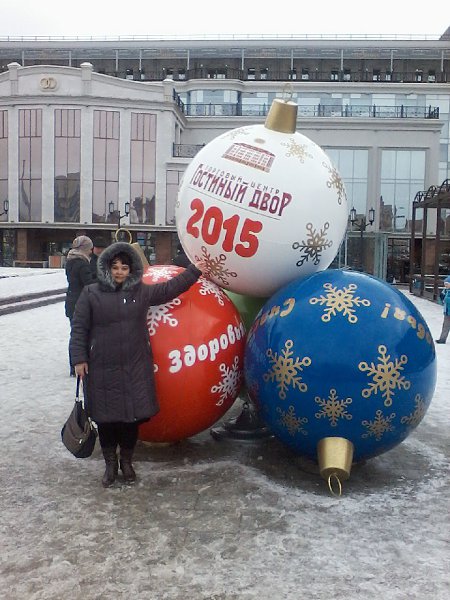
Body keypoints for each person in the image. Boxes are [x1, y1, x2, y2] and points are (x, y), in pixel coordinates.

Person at [69, 241, 206, 488]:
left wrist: (195, 271)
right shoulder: (91, 293)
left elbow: (170, 288)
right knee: (106, 420)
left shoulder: (140, 292)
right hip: (102, 367)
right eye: (115, 267)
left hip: (134, 366)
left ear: (131, 270)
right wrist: (79, 359)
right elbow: (79, 328)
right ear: (106, 268)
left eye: (124, 267)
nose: (119, 272)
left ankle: (127, 461)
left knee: (131, 419)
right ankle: (110, 464)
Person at [64, 235, 95, 375]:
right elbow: (89, 284)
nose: (90, 251)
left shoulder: (70, 261)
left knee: (75, 333)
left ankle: (73, 364)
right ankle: (79, 364)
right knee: (82, 334)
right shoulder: (82, 263)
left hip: (71, 301)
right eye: (89, 249)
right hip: (80, 302)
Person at [436, 276, 450, 344]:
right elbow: (441, 299)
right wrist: (440, 299)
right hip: (447, 312)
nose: (446, 285)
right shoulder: (445, 291)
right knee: (445, 326)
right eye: (445, 284)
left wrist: (446, 299)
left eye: (447, 284)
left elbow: (446, 300)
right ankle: (442, 339)